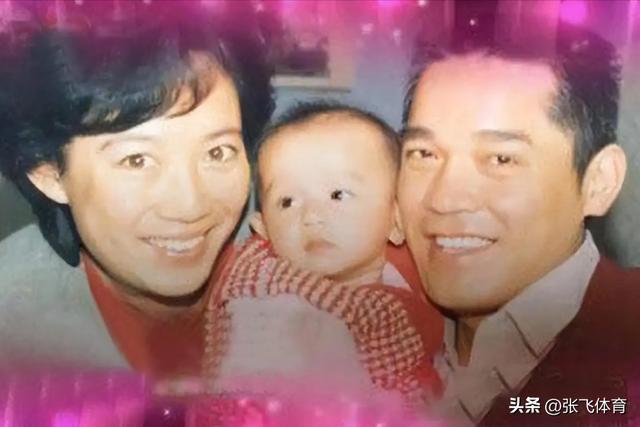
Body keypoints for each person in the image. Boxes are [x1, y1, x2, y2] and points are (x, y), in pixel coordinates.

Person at [0, 3, 274, 379]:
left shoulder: (305, 259)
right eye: (137, 160)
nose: (189, 206)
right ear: (49, 174)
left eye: (217, 152)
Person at [398, 24, 640, 425]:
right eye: (423, 154)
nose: (444, 199)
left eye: (501, 159)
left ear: (598, 182)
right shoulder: (360, 328)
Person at [201, 102, 443, 401]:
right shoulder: (260, 285)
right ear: (263, 229)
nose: (312, 216)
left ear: (397, 220)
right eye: (287, 202)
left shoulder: (409, 309)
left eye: (338, 195)